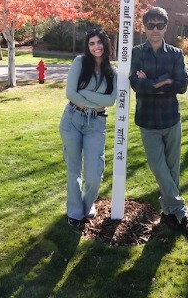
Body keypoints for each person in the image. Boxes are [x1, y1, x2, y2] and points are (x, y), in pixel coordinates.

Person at [129, 7, 188, 233]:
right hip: (148, 121)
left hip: (171, 119)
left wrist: (151, 83)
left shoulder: (176, 55)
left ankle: (169, 213)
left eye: (159, 25)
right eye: (150, 25)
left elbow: (182, 85)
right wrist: (164, 82)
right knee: (159, 167)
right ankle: (180, 210)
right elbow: (135, 84)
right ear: (145, 27)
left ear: (166, 27)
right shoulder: (137, 53)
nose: (155, 30)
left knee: (172, 168)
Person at [60, 28, 117, 230]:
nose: (96, 47)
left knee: (94, 172)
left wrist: (83, 93)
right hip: (72, 120)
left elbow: (110, 101)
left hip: (96, 124)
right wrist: (91, 101)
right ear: (88, 46)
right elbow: (70, 94)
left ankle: (87, 203)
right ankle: (75, 210)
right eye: (91, 43)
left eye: (99, 42)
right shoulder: (80, 62)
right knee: (73, 168)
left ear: (105, 44)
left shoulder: (112, 72)